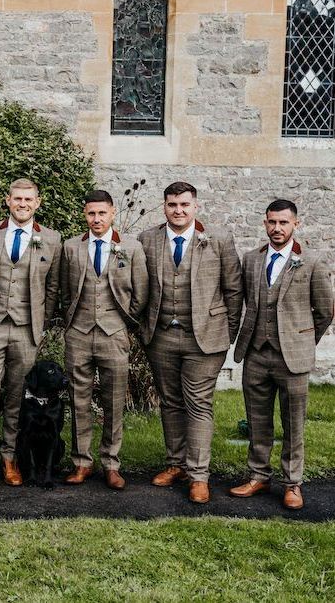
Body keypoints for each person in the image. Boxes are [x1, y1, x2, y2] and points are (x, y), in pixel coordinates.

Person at [138, 182, 243, 504]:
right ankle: (176, 464)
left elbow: (234, 291)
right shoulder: (148, 239)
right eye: (172, 205)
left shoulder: (219, 240)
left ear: (195, 206)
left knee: (198, 403)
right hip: (162, 336)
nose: (178, 210)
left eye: (184, 204)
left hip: (205, 339)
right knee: (170, 402)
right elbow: (140, 288)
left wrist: (225, 333)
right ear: (164, 206)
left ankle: (198, 475)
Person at [229, 199, 333, 510]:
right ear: (265, 223)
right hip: (256, 354)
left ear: (295, 225)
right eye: (272, 222)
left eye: (283, 223)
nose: (277, 228)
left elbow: (325, 311)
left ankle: (292, 483)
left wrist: (301, 341)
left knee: (294, 423)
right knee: (258, 420)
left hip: (294, 358)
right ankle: (258, 476)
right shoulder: (251, 260)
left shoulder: (311, 261)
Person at [0, 178, 61, 486]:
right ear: (8, 201)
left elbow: (51, 288)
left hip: (26, 328)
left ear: (38, 203)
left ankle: (8, 457)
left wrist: (41, 325)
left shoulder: (51, 239)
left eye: (28, 199)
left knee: (16, 395)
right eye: (17, 199)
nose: (22, 204)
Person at [61, 190, 148, 489]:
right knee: (79, 399)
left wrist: (123, 323)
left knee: (114, 400)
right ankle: (81, 462)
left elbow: (141, 293)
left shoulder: (132, 248)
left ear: (112, 213)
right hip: (79, 333)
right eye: (91, 214)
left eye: (102, 213)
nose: (96, 219)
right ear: (84, 215)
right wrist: (71, 322)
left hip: (114, 334)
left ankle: (111, 463)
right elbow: (63, 290)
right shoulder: (71, 247)